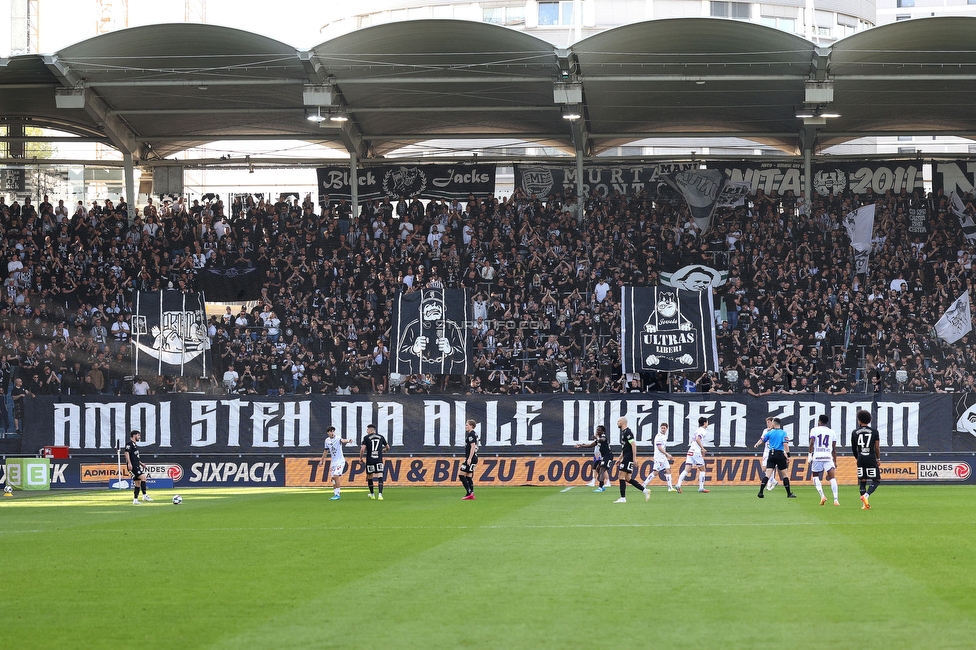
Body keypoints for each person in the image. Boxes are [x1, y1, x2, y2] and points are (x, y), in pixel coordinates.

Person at [756, 417, 795, 498]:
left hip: (771, 454)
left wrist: (757, 444)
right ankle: (788, 493)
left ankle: (760, 492)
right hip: (779, 454)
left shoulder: (770, 432)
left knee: (767, 475)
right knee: (785, 474)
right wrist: (788, 455)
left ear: (774, 423)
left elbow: (762, 439)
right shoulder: (783, 433)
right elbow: (785, 444)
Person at [613, 417, 650, 503]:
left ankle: (623, 498)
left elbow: (633, 445)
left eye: (618, 421)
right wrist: (619, 458)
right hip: (626, 456)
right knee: (628, 478)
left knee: (621, 476)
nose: (617, 423)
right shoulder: (624, 433)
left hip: (628, 457)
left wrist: (634, 458)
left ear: (622, 422)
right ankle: (645, 490)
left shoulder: (628, 432)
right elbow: (625, 448)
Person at [851, 409, 881, 509]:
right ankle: (866, 496)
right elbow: (876, 447)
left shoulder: (855, 432)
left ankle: (864, 505)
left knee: (862, 481)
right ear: (869, 420)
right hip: (871, 457)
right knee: (876, 480)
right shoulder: (874, 432)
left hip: (861, 458)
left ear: (859, 420)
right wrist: (878, 458)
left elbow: (854, 448)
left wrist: (857, 458)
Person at [808, 414, 840, 506]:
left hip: (817, 456)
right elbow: (834, 448)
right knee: (832, 478)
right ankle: (836, 499)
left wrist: (810, 455)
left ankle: (822, 495)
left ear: (820, 422)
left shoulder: (814, 430)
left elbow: (812, 443)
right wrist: (835, 461)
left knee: (815, 476)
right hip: (828, 457)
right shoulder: (832, 432)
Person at [676, 416, 710, 493]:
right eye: (707, 422)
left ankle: (678, 484)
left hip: (690, 451)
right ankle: (701, 487)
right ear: (704, 423)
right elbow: (698, 439)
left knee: (686, 469)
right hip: (696, 452)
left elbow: (692, 441)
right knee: (703, 469)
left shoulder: (697, 430)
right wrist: (702, 448)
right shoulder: (703, 430)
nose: (708, 424)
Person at [319, 426, 353, 500]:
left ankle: (338, 494)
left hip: (340, 461)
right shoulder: (327, 441)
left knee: (336, 476)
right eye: (330, 431)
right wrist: (322, 460)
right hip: (333, 462)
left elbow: (343, 440)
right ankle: (335, 494)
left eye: (333, 431)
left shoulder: (337, 438)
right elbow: (325, 451)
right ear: (328, 433)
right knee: (333, 478)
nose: (332, 433)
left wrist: (348, 441)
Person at [575, 424, 613, 492]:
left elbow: (603, 439)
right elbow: (590, 445)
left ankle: (600, 487)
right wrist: (580, 445)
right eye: (597, 429)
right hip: (604, 456)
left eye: (599, 430)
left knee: (602, 470)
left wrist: (597, 438)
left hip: (608, 456)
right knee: (598, 468)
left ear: (603, 431)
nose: (597, 431)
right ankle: (602, 485)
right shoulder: (598, 439)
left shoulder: (603, 436)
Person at [642, 423, 676, 493]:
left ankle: (670, 487)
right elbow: (659, 447)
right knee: (655, 472)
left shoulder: (664, 436)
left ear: (667, 429)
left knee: (668, 469)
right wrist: (667, 454)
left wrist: (665, 455)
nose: (663, 429)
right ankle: (644, 484)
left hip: (663, 457)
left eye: (664, 428)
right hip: (659, 457)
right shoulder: (659, 436)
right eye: (662, 428)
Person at [359, 423, 390, 500]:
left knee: (370, 476)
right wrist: (384, 450)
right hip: (379, 460)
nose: (367, 431)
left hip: (370, 460)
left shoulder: (366, 438)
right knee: (380, 476)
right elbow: (388, 447)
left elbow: (362, 449)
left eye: (367, 430)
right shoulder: (381, 437)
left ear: (370, 430)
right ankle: (380, 494)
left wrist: (360, 458)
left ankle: (372, 494)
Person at [125, 429, 153, 504]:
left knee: (137, 483)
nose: (139, 437)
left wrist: (141, 463)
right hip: (132, 466)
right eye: (138, 435)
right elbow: (126, 453)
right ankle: (145, 495)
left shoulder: (134, 445)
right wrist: (129, 463)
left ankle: (135, 500)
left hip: (136, 465)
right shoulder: (129, 443)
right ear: (134, 435)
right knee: (143, 477)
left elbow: (134, 456)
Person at [460, 418, 479, 500]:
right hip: (475, 457)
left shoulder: (471, 434)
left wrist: (469, 458)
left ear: (471, 426)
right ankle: (471, 494)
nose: (465, 426)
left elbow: (473, 446)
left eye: (467, 425)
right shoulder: (474, 434)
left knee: (461, 475)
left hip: (471, 458)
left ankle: (469, 492)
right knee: (468, 476)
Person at [759, 416, 778, 491]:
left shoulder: (776, 431)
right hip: (766, 451)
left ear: (772, 422)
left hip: (772, 451)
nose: (768, 424)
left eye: (769, 422)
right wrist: (757, 444)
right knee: (764, 469)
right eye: (767, 423)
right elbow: (762, 439)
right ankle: (773, 481)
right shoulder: (765, 430)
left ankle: (769, 484)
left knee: (771, 467)